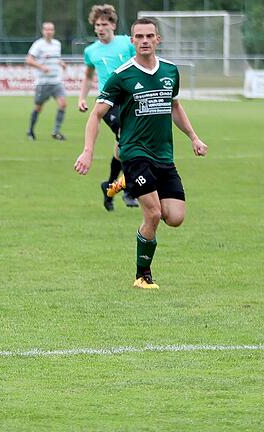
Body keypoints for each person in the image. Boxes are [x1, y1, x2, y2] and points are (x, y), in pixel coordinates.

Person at [74, 18, 208, 290]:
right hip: (134, 153)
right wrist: (87, 151)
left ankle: (123, 182)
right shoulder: (122, 75)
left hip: (164, 155)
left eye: (149, 36)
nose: (144, 40)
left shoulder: (171, 71)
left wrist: (193, 136)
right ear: (132, 40)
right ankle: (142, 276)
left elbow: (175, 107)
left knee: (176, 217)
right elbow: (96, 115)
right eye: (139, 36)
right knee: (154, 214)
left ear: (158, 39)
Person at [78, 4, 139, 211]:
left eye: (104, 24)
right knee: (127, 138)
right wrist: (81, 98)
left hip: (130, 98)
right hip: (108, 101)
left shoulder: (126, 43)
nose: (100, 28)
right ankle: (130, 190)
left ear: (113, 25)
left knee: (122, 147)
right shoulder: (91, 51)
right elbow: (87, 77)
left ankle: (110, 186)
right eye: (97, 25)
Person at [25, 21, 67, 141]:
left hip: (56, 81)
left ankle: (56, 132)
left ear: (54, 31)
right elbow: (28, 60)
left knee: (63, 104)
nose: (49, 32)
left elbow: (56, 58)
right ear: (43, 31)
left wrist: (61, 63)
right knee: (38, 107)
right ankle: (30, 130)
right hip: (43, 82)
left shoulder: (57, 44)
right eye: (47, 29)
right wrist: (41, 67)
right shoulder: (38, 45)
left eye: (51, 29)